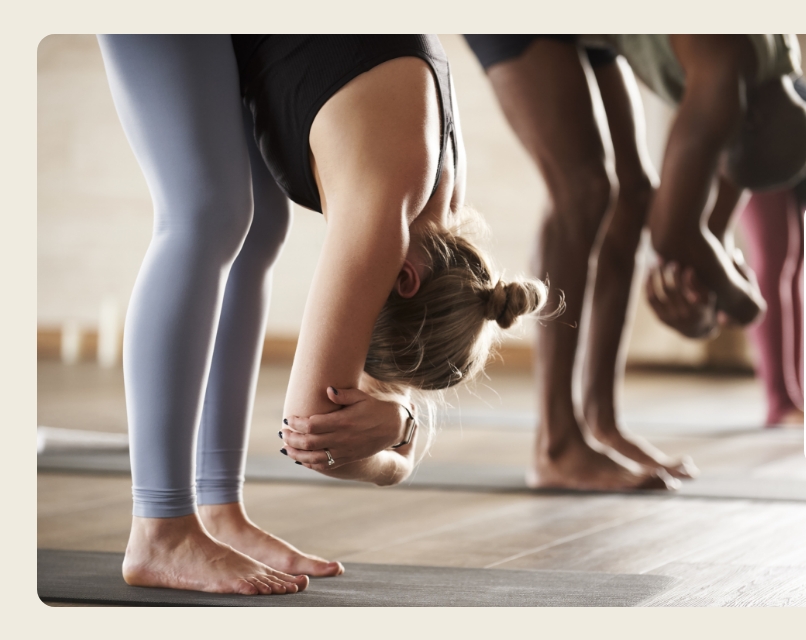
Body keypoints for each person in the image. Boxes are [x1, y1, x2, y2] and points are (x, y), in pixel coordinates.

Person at [100, 34, 545, 596]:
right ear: (404, 281)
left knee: (258, 229)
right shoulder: (387, 210)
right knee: (207, 214)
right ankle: (159, 529)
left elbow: (379, 415)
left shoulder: (439, 202)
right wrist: (394, 449)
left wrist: (400, 424)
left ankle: (219, 511)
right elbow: (307, 432)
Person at [463, 34, 806, 490]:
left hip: (595, 27)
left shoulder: (766, 73)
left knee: (633, 194)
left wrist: (706, 299)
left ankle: (602, 423)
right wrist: (745, 304)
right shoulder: (725, 64)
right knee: (583, 189)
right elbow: (673, 234)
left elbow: (704, 236)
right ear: (749, 120)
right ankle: (556, 446)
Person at [648, 77, 806, 426]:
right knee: (777, 262)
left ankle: (797, 397)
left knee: (794, 268)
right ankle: (780, 403)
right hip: (761, 130)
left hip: (803, 144)